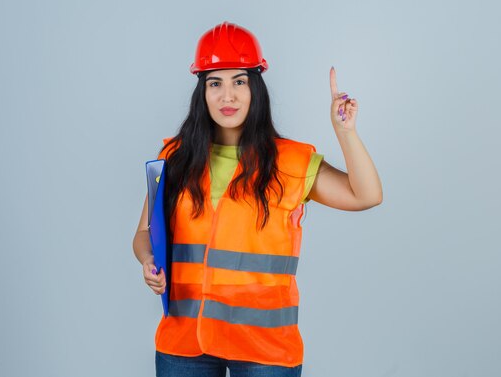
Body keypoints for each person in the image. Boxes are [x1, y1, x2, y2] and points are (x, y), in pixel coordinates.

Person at [132, 21, 382, 377]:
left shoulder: (291, 161)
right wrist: (147, 262)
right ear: (202, 92)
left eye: (239, 81)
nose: (227, 96)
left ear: (256, 89)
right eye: (215, 83)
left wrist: (346, 133)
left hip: (265, 349)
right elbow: (143, 233)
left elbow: (367, 195)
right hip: (185, 343)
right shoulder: (175, 157)